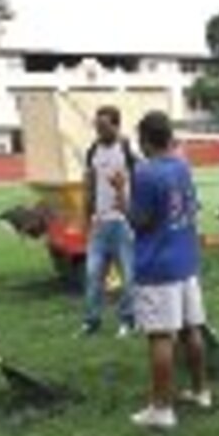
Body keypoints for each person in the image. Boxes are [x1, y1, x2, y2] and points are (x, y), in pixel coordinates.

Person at [116, 110, 212, 429]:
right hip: (186, 260)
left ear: (144, 140)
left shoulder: (145, 173)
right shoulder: (182, 165)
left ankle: (161, 408)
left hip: (157, 265)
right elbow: (192, 207)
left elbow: (139, 221)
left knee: (160, 337)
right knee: (191, 329)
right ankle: (200, 391)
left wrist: (120, 195)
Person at [81, 105, 139, 337]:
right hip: (100, 223)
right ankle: (91, 321)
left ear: (116, 125)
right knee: (93, 275)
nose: (99, 130)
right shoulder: (93, 150)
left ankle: (128, 320)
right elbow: (90, 184)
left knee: (129, 276)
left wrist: (134, 213)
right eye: (96, 126)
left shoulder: (126, 148)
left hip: (123, 223)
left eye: (103, 126)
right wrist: (87, 216)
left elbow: (141, 178)